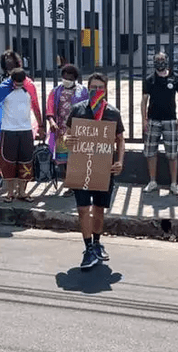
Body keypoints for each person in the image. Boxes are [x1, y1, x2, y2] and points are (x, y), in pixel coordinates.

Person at [64, 72, 125, 269]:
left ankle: (97, 244)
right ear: (87, 88)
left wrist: (120, 161)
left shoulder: (113, 113)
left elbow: (120, 139)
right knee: (83, 209)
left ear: (106, 90)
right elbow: (66, 134)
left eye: (100, 88)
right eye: (93, 87)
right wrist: (66, 140)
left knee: (99, 209)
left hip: (104, 168)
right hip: (81, 166)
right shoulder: (77, 110)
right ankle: (88, 248)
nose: (96, 91)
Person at [0, 51, 45, 202]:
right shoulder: (3, 88)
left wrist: (41, 125)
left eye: (21, 83)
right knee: (8, 163)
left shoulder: (29, 87)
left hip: (25, 131)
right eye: (16, 83)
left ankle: (23, 192)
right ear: (11, 80)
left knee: (25, 162)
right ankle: (10, 193)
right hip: (8, 131)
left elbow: (36, 107)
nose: (18, 86)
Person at [141, 52, 178, 195]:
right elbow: (144, 101)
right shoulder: (149, 80)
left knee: (172, 153)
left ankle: (174, 184)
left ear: (167, 61)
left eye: (162, 59)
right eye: (157, 60)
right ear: (153, 62)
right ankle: (152, 181)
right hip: (153, 120)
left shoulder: (176, 78)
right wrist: (144, 119)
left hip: (170, 120)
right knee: (150, 152)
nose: (160, 62)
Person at [46, 64, 89, 196]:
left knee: (77, 158)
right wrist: (52, 122)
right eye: (64, 77)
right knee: (64, 160)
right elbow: (50, 110)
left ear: (75, 78)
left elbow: (88, 108)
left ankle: (80, 183)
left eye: (69, 77)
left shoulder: (82, 91)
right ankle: (70, 185)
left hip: (78, 130)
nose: (66, 79)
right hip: (61, 130)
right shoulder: (55, 91)